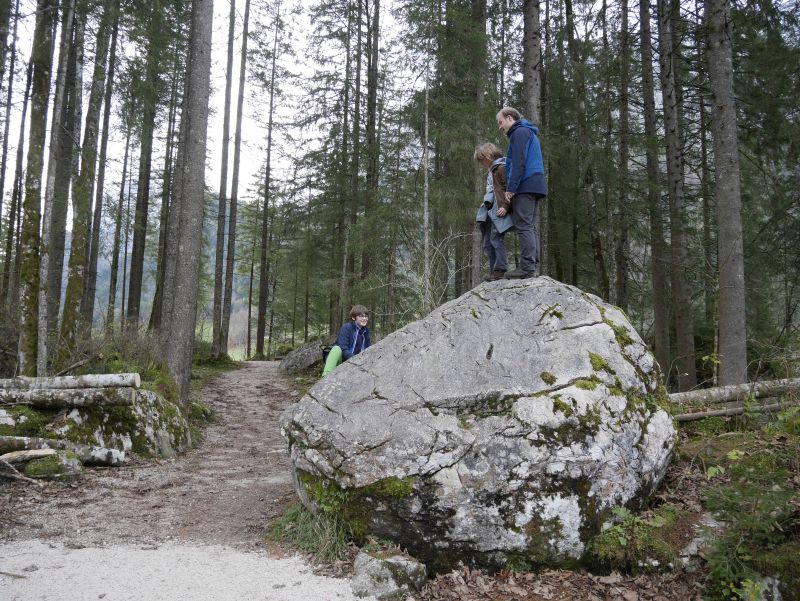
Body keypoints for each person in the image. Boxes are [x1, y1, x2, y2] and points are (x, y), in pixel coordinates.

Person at [496, 106, 548, 278]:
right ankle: (532, 262)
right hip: (535, 183)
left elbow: (519, 162)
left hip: (526, 183)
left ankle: (526, 268)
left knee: (524, 225)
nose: (500, 126)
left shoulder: (519, 133)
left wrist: (511, 188)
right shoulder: (527, 132)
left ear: (510, 118)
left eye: (500, 122)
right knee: (529, 225)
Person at [474, 143, 514, 281]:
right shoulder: (491, 170)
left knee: (496, 239)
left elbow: (509, 188)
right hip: (491, 208)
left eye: (482, 160)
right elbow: (492, 190)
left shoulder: (502, 167)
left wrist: (505, 206)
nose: (482, 163)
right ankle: (494, 271)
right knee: (487, 242)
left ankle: (501, 269)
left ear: (489, 156)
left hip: (501, 208)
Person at [322, 305, 372, 376]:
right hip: (340, 359)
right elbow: (343, 348)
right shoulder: (347, 327)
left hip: (355, 363)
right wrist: (355, 358)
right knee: (337, 348)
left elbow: (367, 349)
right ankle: (325, 376)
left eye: (366, 316)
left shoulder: (366, 331)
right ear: (353, 317)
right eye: (361, 316)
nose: (364, 318)